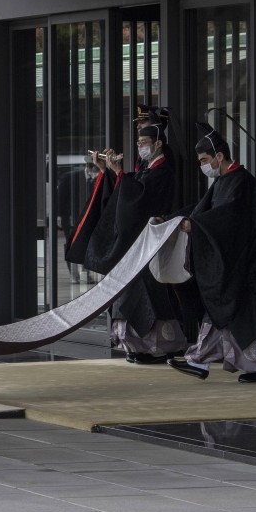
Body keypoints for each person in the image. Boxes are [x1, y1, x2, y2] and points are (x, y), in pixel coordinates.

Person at [168, 122, 256, 383]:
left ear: (219, 157)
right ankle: (200, 360)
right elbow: (203, 210)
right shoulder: (227, 181)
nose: (202, 164)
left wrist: (196, 226)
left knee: (242, 315)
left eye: (204, 159)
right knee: (223, 312)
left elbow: (229, 217)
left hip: (249, 266)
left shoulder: (242, 182)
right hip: (236, 264)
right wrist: (174, 219)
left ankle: (248, 366)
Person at [72, 125, 187, 363]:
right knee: (128, 294)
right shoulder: (147, 169)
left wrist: (120, 174)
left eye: (145, 142)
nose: (140, 147)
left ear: (158, 144)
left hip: (151, 242)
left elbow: (138, 200)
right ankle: (134, 347)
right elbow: (128, 193)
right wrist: (109, 172)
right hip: (137, 243)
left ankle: (158, 348)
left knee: (152, 295)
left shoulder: (164, 171)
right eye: (139, 143)